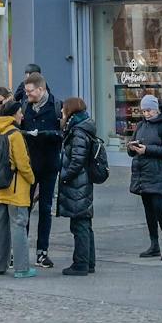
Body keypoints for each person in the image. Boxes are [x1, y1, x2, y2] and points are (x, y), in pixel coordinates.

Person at [57, 96, 108, 277]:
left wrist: (64, 176)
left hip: (78, 184)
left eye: (63, 109)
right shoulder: (82, 127)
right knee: (84, 224)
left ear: (70, 110)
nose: (61, 112)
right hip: (81, 183)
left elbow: (77, 160)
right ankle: (88, 262)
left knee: (80, 225)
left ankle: (81, 264)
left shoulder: (77, 131)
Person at [17, 71, 63, 269]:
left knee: (45, 209)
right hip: (29, 165)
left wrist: (46, 135)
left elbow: (63, 133)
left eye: (30, 92)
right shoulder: (25, 107)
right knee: (24, 208)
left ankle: (42, 252)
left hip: (49, 165)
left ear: (41, 89)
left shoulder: (56, 106)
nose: (27, 95)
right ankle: (19, 251)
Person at [127, 91, 162, 260]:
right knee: (148, 208)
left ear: (156, 109)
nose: (146, 114)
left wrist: (147, 150)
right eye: (144, 111)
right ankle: (154, 244)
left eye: (149, 110)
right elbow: (132, 147)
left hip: (159, 171)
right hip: (144, 171)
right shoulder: (142, 125)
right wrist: (132, 147)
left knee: (158, 206)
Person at [0, 94, 36, 277]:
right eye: (19, 113)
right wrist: (32, 179)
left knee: (0, 227)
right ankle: (22, 268)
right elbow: (23, 163)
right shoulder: (15, 134)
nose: (22, 116)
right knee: (18, 226)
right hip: (16, 189)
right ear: (13, 115)